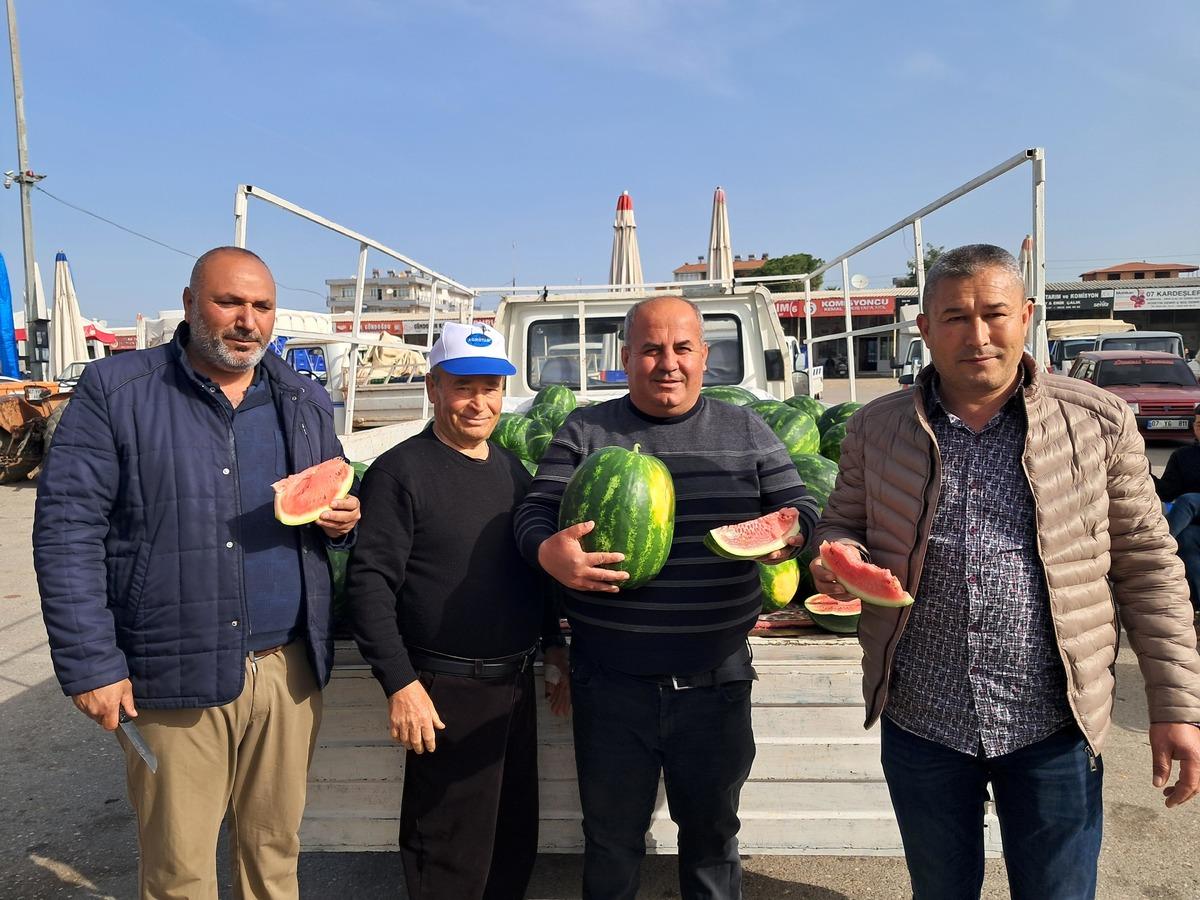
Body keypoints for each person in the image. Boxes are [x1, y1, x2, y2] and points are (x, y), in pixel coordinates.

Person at [811, 243, 1200, 899]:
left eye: (994, 313)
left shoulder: (1097, 421)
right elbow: (841, 521)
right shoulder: (876, 427)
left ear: (1026, 316)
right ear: (925, 327)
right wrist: (835, 556)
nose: (978, 335)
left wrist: (1178, 708)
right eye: (955, 317)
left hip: (1055, 726)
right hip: (923, 721)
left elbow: (1150, 569)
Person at [33, 247, 360, 899]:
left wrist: (343, 518)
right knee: (179, 869)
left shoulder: (303, 397)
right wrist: (90, 664)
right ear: (189, 303)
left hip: (287, 669)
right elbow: (67, 531)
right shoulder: (117, 391)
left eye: (261, 306)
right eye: (228, 302)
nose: (247, 320)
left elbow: (330, 486)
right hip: (171, 670)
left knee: (275, 853)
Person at [515, 296, 820, 900]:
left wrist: (793, 536)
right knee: (610, 839)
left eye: (682, 348)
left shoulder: (747, 430)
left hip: (716, 681)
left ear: (704, 356)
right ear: (626, 357)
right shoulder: (585, 431)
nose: (668, 363)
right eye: (651, 349)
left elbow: (800, 505)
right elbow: (534, 510)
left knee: (712, 839)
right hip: (610, 682)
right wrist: (548, 552)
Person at [346, 321, 568, 900]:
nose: (479, 403)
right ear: (433, 388)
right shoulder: (399, 473)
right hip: (444, 692)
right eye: (463, 387)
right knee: (449, 858)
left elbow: (533, 570)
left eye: (491, 388)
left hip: (513, 688)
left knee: (511, 846)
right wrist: (400, 683)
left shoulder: (512, 471)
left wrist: (553, 647)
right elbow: (369, 586)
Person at [1155, 405, 1200, 614]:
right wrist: (1143, 473)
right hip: (1194, 521)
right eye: (1199, 424)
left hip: (1191, 504)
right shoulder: (1183, 456)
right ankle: (1198, 606)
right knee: (1187, 538)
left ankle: (1157, 547)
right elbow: (1166, 492)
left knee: (1188, 499)